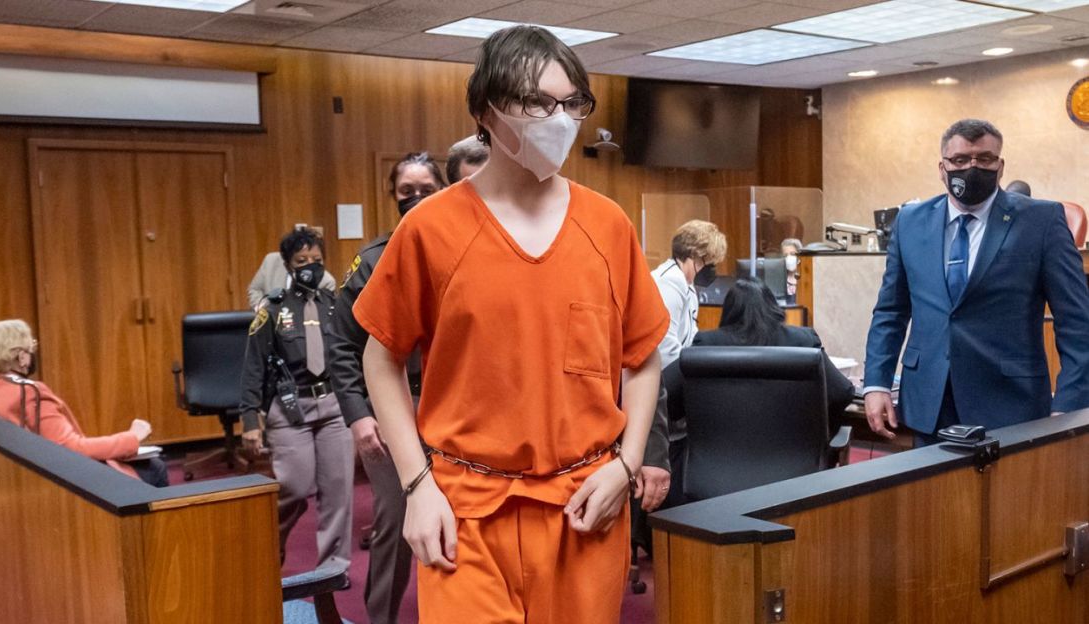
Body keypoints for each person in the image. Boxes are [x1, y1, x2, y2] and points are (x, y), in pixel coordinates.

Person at [354, 25, 668, 624]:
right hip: (462, 509)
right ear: (485, 111)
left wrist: (627, 464)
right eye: (535, 102)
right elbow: (381, 356)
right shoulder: (430, 229)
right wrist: (416, 487)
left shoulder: (607, 226)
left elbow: (643, 355)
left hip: (584, 505)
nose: (558, 119)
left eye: (571, 103)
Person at [864, 119, 1089, 446]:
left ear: (1000, 165)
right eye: (960, 160)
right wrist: (876, 383)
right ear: (942, 168)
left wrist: (1069, 404)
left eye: (984, 159)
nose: (972, 167)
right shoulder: (911, 222)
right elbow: (890, 311)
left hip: (1012, 404)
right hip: (929, 400)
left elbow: (1077, 322)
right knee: (931, 497)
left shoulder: (1041, 221)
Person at [328, 152, 446, 624]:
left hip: (454, 409)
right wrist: (358, 416)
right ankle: (382, 618)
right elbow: (341, 345)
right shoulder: (374, 260)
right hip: (396, 406)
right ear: (393, 197)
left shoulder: (464, 248)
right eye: (405, 192)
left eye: (425, 189)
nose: (416, 199)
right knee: (398, 520)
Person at [239, 227, 355, 571]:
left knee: (338, 492)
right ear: (288, 266)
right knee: (294, 484)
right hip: (290, 410)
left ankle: (333, 570)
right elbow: (253, 369)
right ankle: (269, 541)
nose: (310, 267)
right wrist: (249, 421)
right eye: (302, 261)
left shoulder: (334, 306)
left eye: (316, 260)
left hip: (334, 408)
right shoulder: (272, 310)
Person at [0, 319, 166, 487]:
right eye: (30, 350)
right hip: (48, 486)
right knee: (153, 467)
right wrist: (131, 437)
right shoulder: (29, 391)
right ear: (20, 357)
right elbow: (70, 450)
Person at [694, 278, 854, 431]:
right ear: (772, 307)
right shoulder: (803, 341)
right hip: (797, 454)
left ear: (729, 311)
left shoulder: (707, 344)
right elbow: (842, 392)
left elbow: (671, 399)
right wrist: (817, 429)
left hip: (719, 454)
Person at [649, 220, 726, 510]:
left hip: (674, 379)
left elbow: (689, 340)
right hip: (661, 382)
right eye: (710, 261)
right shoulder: (668, 284)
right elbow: (665, 347)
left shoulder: (686, 286)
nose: (713, 269)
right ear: (695, 255)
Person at [247, 224, 337, 309]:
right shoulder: (271, 262)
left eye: (317, 260)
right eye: (302, 261)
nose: (310, 265)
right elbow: (255, 290)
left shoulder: (327, 282)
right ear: (287, 264)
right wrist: (267, 310)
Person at [780, 238, 803, 303]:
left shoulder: (805, 278)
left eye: (792, 254)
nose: (789, 257)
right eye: (785, 255)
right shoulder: (779, 279)